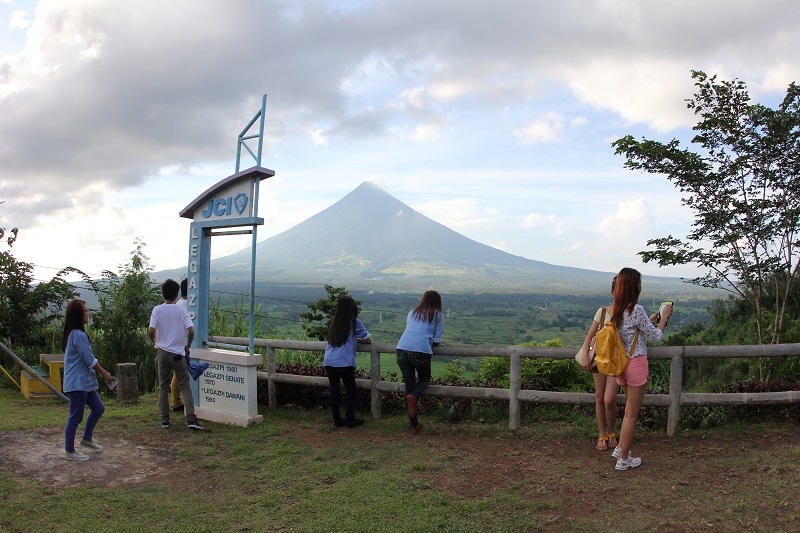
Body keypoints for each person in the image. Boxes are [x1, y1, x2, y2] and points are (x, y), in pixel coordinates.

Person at [609, 267, 672, 471]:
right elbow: (656, 337)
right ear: (634, 286)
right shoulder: (636, 310)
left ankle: (620, 448)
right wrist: (663, 319)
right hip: (635, 365)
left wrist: (650, 320)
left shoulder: (614, 309)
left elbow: (631, 331)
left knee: (628, 410)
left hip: (620, 365)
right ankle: (624, 459)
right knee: (631, 414)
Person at [62, 299, 115, 461]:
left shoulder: (76, 334)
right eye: (85, 311)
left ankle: (87, 439)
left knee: (98, 408)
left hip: (84, 383)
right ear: (79, 314)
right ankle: (69, 452)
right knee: (75, 417)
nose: (88, 313)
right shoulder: (78, 335)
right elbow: (89, 360)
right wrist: (105, 373)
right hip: (77, 384)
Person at [148, 278, 203, 430]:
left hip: (162, 352)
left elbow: (151, 330)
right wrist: (188, 345)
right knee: (185, 385)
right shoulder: (181, 310)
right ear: (176, 293)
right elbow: (191, 331)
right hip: (178, 353)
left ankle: (164, 420)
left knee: (163, 386)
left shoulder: (157, 310)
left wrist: (153, 340)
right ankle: (191, 419)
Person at [579, 276, 619, 451]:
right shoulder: (602, 312)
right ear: (612, 292)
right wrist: (586, 356)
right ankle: (602, 433)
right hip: (599, 359)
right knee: (599, 397)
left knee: (609, 400)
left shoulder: (628, 314)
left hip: (615, 361)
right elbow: (590, 335)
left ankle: (612, 431)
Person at [396, 290, 443, 435]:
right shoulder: (437, 314)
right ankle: (414, 397)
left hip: (401, 350)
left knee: (409, 387)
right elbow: (437, 340)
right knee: (424, 379)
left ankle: (414, 425)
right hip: (420, 352)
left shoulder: (412, 312)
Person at [323, 296, 371, 428]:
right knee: (351, 391)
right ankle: (350, 420)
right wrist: (358, 340)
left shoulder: (334, 322)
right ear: (352, 308)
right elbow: (367, 338)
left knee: (334, 391)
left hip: (329, 360)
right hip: (344, 362)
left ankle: (337, 420)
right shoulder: (354, 322)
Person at [170, 278, 189, 413]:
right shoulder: (190, 305)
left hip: (177, 344)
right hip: (187, 344)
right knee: (182, 373)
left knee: (177, 373)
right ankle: (178, 402)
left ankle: (176, 401)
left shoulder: (177, 304)